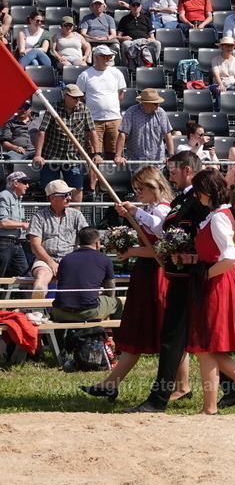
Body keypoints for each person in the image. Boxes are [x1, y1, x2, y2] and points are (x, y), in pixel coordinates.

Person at [82, 167, 188, 403]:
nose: (137, 193)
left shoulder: (162, 208)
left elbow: (162, 239)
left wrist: (135, 215)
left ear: (154, 187)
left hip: (158, 274)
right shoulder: (150, 208)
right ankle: (112, 382)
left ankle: (182, 386)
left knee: (168, 330)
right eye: (136, 189)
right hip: (146, 273)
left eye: (141, 189)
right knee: (144, 329)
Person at [122, 151, 209, 413]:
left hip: (189, 274)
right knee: (183, 339)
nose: (169, 176)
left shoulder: (196, 198)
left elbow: (194, 233)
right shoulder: (184, 198)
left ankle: (158, 400)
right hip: (178, 274)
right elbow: (168, 232)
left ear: (186, 170)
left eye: (172, 171)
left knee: (182, 339)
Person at [185, 168, 235, 415]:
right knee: (206, 347)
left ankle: (222, 399)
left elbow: (229, 258)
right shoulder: (217, 215)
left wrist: (204, 275)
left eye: (198, 191)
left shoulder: (219, 216)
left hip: (217, 283)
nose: (196, 197)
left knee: (205, 346)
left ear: (205, 191)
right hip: (216, 280)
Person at [33, 84, 102, 202]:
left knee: (77, 188)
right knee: (50, 189)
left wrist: (97, 153)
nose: (78, 100)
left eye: (79, 97)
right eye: (75, 97)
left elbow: (92, 132)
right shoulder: (53, 109)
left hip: (73, 157)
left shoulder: (84, 109)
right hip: (51, 156)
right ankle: (51, 217)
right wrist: (38, 155)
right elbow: (42, 132)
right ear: (66, 96)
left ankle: (76, 217)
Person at [27, 180, 89, 297]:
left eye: (69, 194)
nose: (69, 198)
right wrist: (51, 262)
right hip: (45, 259)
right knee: (42, 274)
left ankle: (81, 307)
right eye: (65, 195)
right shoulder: (38, 217)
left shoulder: (76, 215)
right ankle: (37, 306)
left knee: (81, 274)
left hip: (71, 259)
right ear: (52, 198)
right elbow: (35, 245)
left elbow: (88, 237)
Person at [50, 227, 123, 323]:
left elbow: (60, 285)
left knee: (61, 310)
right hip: (88, 312)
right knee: (117, 302)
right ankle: (118, 337)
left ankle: (61, 338)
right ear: (97, 243)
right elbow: (110, 292)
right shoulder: (104, 259)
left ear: (79, 243)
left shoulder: (66, 259)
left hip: (60, 312)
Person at [76, 45, 126, 163]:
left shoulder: (116, 73)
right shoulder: (85, 75)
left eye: (109, 56)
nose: (108, 58)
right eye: (105, 56)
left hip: (114, 118)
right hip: (93, 120)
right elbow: (80, 97)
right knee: (93, 155)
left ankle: (110, 180)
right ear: (96, 57)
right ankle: (93, 182)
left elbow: (120, 95)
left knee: (114, 154)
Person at [115, 88, 174, 172]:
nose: (158, 105)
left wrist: (170, 155)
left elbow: (167, 134)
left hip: (157, 163)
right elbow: (122, 133)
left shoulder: (161, 113)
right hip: (136, 162)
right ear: (145, 103)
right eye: (155, 103)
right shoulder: (131, 112)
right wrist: (118, 155)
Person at [0, 171, 31, 278]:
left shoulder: (16, 199)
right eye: (25, 182)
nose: (28, 185)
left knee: (26, 278)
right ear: (15, 183)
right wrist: (23, 225)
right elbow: (2, 222)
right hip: (3, 243)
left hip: (15, 244)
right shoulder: (4, 196)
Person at [117, 0, 161, 68]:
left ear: (140, 6)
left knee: (157, 43)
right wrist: (123, 38)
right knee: (125, 44)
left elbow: (152, 37)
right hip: (131, 41)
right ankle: (127, 67)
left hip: (144, 41)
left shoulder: (146, 19)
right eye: (133, 5)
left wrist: (150, 39)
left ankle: (152, 64)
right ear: (130, 6)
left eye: (138, 5)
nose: (136, 7)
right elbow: (118, 36)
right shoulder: (124, 19)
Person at [211, 35, 235, 110]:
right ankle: (219, 111)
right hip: (219, 84)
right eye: (227, 46)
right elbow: (216, 74)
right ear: (222, 46)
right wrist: (220, 84)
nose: (230, 48)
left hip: (232, 84)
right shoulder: (215, 60)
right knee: (220, 90)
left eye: (231, 46)